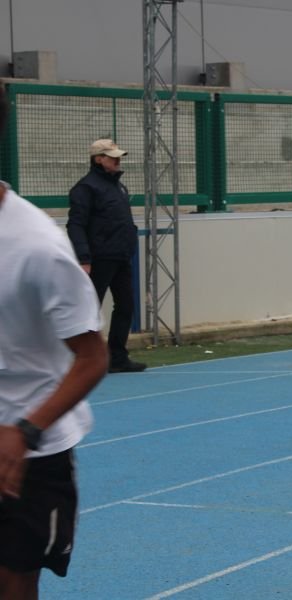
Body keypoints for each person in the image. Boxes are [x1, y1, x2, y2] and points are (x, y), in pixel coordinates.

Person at [0, 86, 109, 599]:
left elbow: (92, 358)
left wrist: (25, 431)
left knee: (13, 579)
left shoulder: (37, 248)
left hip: (29, 449)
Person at [67, 138, 146, 373]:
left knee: (126, 305)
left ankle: (117, 357)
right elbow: (76, 225)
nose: (118, 160)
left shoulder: (118, 187)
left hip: (121, 255)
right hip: (99, 257)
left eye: (118, 157)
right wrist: (84, 258)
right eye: (112, 157)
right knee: (90, 309)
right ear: (99, 159)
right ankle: (84, 358)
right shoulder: (85, 188)